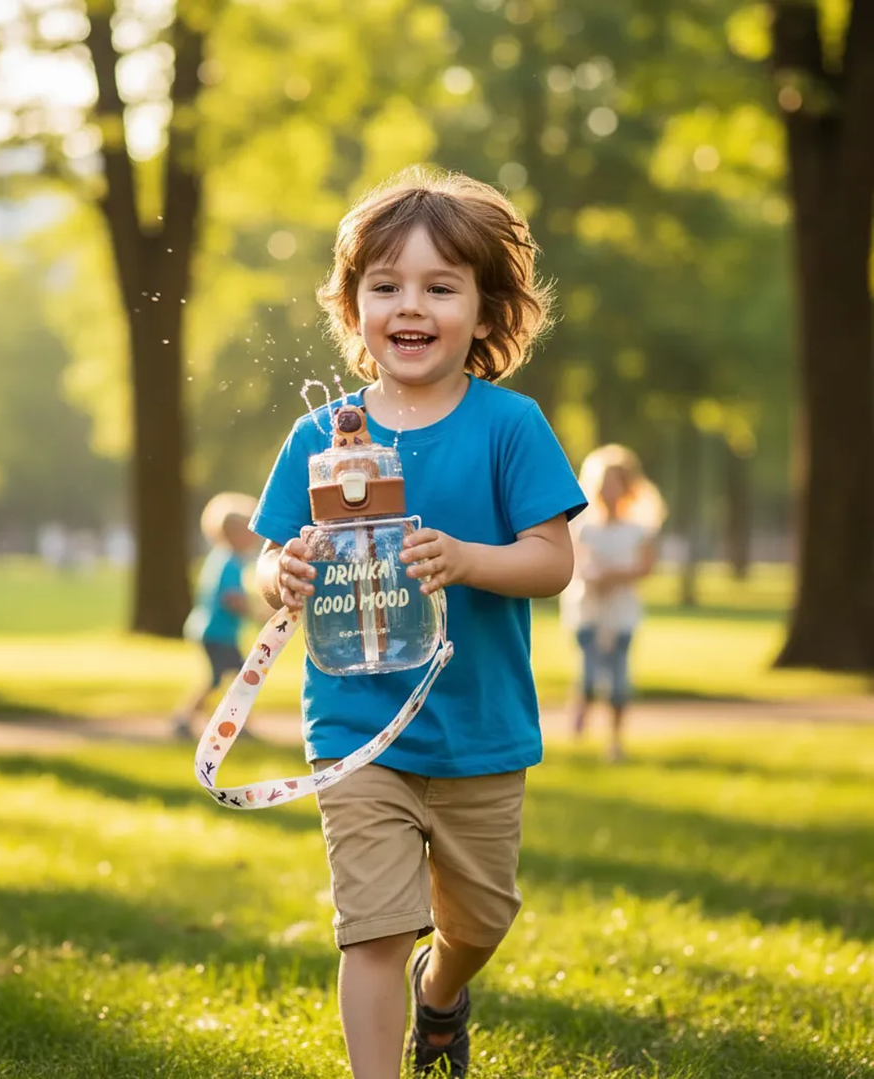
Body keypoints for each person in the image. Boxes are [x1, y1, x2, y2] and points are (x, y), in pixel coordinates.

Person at [250, 168, 586, 1079]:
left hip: (480, 734)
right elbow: (267, 560)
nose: (411, 304)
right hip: (358, 733)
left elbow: (552, 561)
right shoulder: (322, 435)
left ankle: (444, 994)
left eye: (441, 287)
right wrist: (279, 571)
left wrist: (468, 559)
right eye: (385, 285)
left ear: (484, 314)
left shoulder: (509, 426)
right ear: (354, 307)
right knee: (374, 931)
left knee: (478, 920)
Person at [560, 444, 666, 763]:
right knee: (590, 675)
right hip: (588, 611)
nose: (609, 490)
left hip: (621, 614)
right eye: (604, 482)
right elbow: (574, 563)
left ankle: (615, 741)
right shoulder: (583, 527)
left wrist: (614, 575)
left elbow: (646, 567)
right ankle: (579, 720)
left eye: (615, 482)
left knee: (619, 680)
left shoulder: (638, 531)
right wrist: (593, 576)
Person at [172, 492, 260, 740]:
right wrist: (257, 613)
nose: (255, 537)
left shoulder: (221, 559)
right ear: (234, 535)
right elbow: (231, 598)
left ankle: (190, 718)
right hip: (216, 633)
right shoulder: (230, 563)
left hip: (212, 631)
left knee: (222, 679)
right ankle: (234, 725)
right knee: (241, 679)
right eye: (250, 532)